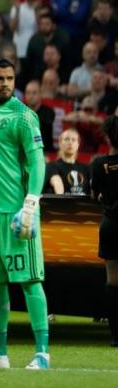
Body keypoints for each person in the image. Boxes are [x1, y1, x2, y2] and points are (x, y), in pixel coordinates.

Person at [0, 58, 49, 369]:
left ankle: (42, 352)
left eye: (10, 78)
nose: (6, 83)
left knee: (30, 281)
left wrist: (31, 203)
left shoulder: (24, 117)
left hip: (17, 215)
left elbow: (38, 162)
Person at [90, 116, 118, 347]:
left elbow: (94, 195)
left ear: (107, 136)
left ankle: (116, 337)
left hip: (111, 224)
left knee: (113, 280)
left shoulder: (99, 164)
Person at [45, 129, 91, 196]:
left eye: (73, 140)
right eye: (67, 139)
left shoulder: (86, 168)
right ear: (60, 143)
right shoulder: (52, 166)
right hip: (63, 204)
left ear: (78, 144)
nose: (70, 142)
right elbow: (57, 183)